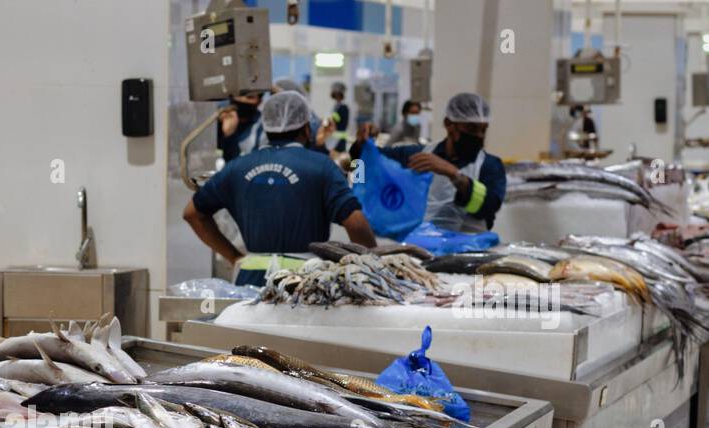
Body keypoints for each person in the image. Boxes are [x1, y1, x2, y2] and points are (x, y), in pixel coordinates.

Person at [184, 91, 376, 287]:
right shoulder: (322, 167)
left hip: (251, 279)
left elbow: (192, 214)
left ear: (266, 126)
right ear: (307, 128)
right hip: (306, 282)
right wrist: (370, 267)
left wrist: (233, 257)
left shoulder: (237, 167)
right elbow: (357, 224)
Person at [353, 91, 506, 233]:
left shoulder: (490, 166)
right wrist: (362, 144)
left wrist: (454, 175)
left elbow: (489, 207)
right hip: (421, 250)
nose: (478, 135)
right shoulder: (420, 156)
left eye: (483, 130)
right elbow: (361, 162)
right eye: (472, 128)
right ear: (449, 124)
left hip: (470, 252)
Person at [218, 92, 264, 162]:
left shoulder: (263, 126)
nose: (242, 99)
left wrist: (230, 135)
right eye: (239, 95)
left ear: (259, 101)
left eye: (249, 97)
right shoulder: (219, 120)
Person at [328, 81, 350, 152]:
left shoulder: (344, 107)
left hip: (340, 139)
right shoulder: (335, 107)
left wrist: (331, 118)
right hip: (334, 137)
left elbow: (342, 122)